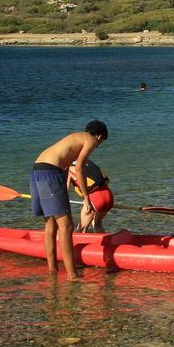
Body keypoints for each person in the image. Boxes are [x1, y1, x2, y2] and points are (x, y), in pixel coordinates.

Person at [29, 120, 109, 280]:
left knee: (50, 223)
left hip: (37, 171)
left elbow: (65, 165)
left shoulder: (75, 138)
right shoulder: (91, 140)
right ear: (99, 136)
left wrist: (63, 187)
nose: (97, 146)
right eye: (101, 143)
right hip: (50, 174)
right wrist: (87, 198)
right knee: (67, 225)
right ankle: (72, 275)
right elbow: (78, 167)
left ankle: (52, 271)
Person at [68, 158, 115, 233]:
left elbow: (65, 189)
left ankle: (79, 243)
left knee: (82, 228)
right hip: (108, 196)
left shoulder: (70, 169)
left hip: (94, 198)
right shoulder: (88, 163)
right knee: (97, 224)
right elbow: (105, 180)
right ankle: (106, 243)